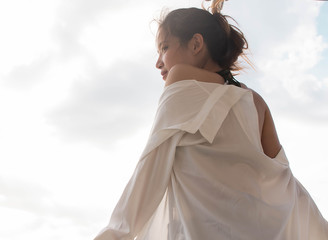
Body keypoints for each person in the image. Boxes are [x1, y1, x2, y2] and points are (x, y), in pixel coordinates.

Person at [94, 1, 328, 239]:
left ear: (196, 44)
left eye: (164, 47)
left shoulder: (180, 78)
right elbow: (288, 187)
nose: (158, 63)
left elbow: (150, 167)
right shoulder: (255, 102)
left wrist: (112, 235)